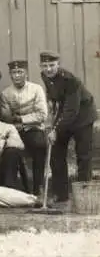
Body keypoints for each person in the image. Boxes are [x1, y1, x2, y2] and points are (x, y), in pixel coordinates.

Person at [39, 51, 98, 206]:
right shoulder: (45, 76)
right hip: (65, 115)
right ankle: (61, 194)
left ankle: (85, 196)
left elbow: (71, 110)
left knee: (83, 156)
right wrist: (51, 116)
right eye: (45, 65)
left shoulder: (71, 80)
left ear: (58, 64)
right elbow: (54, 98)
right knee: (56, 153)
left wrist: (56, 130)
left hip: (83, 117)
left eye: (52, 65)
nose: (48, 69)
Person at [1, 60, 48, 197]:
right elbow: (7, 117)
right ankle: (11, 189)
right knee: (10, 150)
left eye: (20, 72)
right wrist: (15, 121)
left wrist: (21, 119)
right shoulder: (6, 93)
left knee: (39, 146)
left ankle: (38, 187)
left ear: (26, 74)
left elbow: (42, 115)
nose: (17, 76)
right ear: (10, 75)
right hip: (15, 130)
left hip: (34, 128)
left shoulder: (36, 89)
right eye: (14, 73)